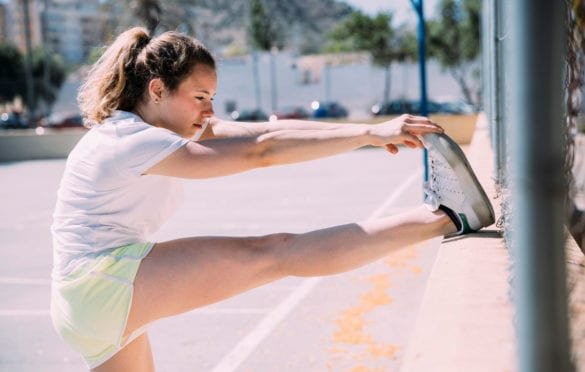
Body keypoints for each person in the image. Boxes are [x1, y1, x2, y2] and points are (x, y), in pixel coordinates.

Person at [50, 27, 494, 371]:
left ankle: (444, 216)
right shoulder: (130, 140)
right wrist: (369, 135)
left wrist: (367, 133)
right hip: (101, 284)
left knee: (272, 252)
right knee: (272, 252)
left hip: (86, 302)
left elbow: (265, 133)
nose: (209, 112)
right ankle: (448, 216)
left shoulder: (145, 128)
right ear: (157, 91)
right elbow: (260, 152)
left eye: (213, 98)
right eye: (200, 98)